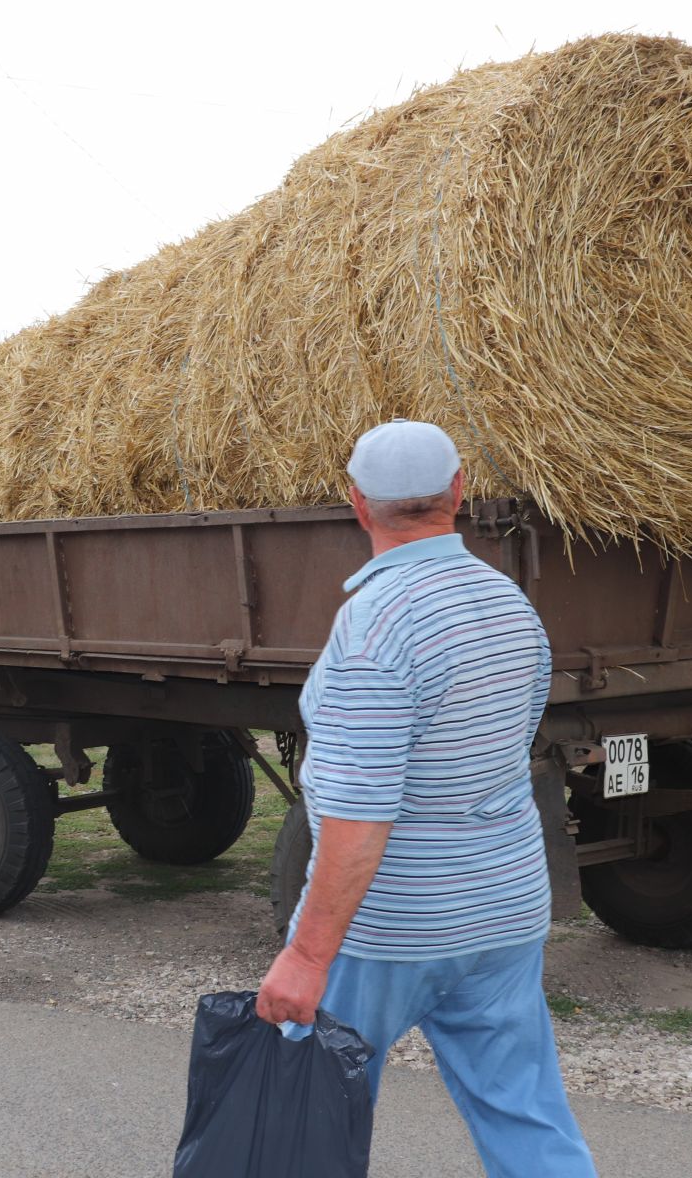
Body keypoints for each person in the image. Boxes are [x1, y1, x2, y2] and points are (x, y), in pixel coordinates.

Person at [255, 419, 595, 1177]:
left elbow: (356, 819)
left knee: (313, 1122)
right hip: (504, 909)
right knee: (525, 1114)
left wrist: (307, 958)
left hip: (393, 927)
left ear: (357, 505)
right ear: (458, 490)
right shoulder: (512, 606)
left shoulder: (372, 631)